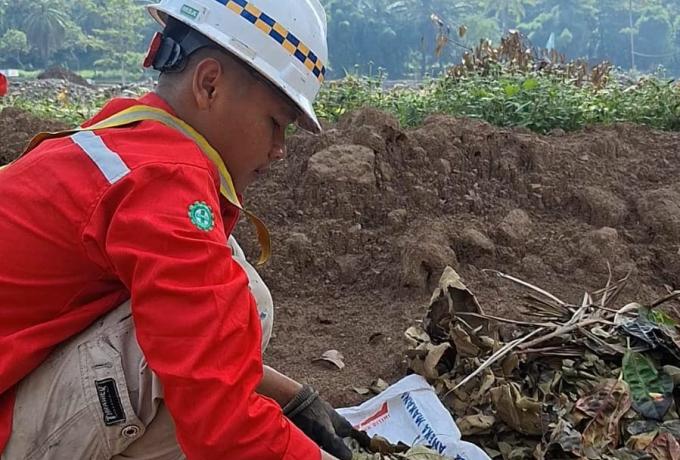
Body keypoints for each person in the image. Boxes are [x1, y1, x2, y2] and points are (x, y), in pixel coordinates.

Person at [0, 0, 367, 458]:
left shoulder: (127, 144)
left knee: (227, 277)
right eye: (276, 123)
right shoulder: (163, 183)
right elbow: (223, 424)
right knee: (239, 303)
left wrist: (292, 398)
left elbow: (187, 336)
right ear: (209, 84)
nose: (279, 150)